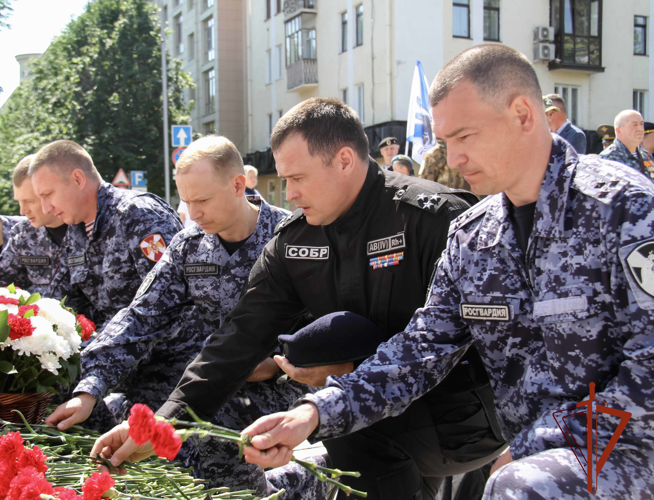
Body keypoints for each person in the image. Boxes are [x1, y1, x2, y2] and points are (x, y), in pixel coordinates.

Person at [239, 44, 654, 500]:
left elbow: (648, 373)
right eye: (445, 142)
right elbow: (420, 349)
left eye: (465, 137)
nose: (453, 160)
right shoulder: (473, 236)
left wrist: (538, 449)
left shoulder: (624, 209)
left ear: (522, 114)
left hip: (630, 448)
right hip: (533, 461)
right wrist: (316, 412)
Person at [91, 98, 505, 500]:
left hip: (459, 418)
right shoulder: (296, 239)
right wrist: (162, 423)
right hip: (363, 414)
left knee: (341, 421)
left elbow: (475, 344)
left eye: (297, 178)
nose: (287, 193)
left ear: (344, 160)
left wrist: (320, 408)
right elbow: (240, 338)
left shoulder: (434, 220)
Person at [46, 136, 308, 495]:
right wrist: (89, 387)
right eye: (186, 201)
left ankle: (295, 485)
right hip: (213, 378)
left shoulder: (291, 236)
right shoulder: (189, 245)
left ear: (237, 185)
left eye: (201, 200)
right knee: (150, 417)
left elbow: (324, 321)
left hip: (283, 383)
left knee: (206, 433)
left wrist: (278, 363)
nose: (193, 213)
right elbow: (141, 316)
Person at [29, 140, 183, 329]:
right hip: (111, 350)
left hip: (167, 355)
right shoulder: (76, 231)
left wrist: (96, 352)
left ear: (78, 179)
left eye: (48, 194)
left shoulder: (139, 214)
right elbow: (63, 300)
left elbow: (167, 303)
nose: (45, 208)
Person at [0, 155, 88, 313]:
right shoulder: (23, 233)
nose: (23, 211)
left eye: (30, 201)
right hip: (37, 329)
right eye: (19, 202)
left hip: (91, 330)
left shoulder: (89, 229)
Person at [600, 109, 654, 180]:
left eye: (641, 124)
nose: (640, 129)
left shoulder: (646, 155)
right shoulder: (608, 157)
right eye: (634, 125)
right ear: (619, 130)